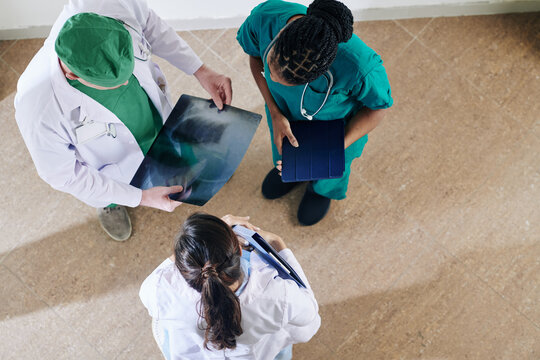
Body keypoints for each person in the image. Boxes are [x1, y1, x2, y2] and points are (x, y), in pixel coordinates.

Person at [14, 0, 232, 241]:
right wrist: (141, 198)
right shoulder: (37, 108)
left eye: (128, 73)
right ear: (73, 74)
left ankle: (174, 160)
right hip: (106, 166)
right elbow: (67, 175)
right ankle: (111, 204)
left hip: (148, 115)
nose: (128, 83)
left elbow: (150, 25)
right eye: (115, 83)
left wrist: (200, 70)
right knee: (109, 190)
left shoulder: (109, 3)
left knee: (166, 139)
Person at [237, 0, 393, 226]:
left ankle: (321, 190)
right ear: (281, 32)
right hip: (284, 115)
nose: (271, 77)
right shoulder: (266, 17)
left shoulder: (360, 66)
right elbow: (254, 57)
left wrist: (331, 150)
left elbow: (378, 108)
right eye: (270, 67)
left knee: (330, 170)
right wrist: (274, 111)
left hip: (336, 130)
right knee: (284, 154)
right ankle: (295, 173)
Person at [139, 213, 320, 360]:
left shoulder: (159, 288)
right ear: (240, 249)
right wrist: (276, 242)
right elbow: (309, 314)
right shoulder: (278, 296)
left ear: (183, 267)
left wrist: (202, 240)